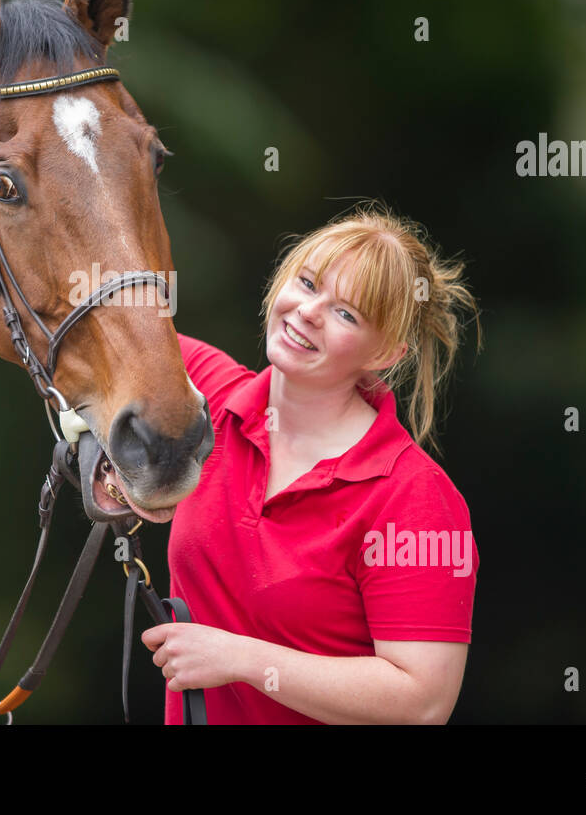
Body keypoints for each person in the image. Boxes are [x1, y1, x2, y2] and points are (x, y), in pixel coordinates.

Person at [141, 203, 482, 724]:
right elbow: (88, 332)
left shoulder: (414, 499)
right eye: (306, 283)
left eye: (346, 313)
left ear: (385, 353)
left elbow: (423, 703)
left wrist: (241, 658)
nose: (308, 311)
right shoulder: (206, 393)